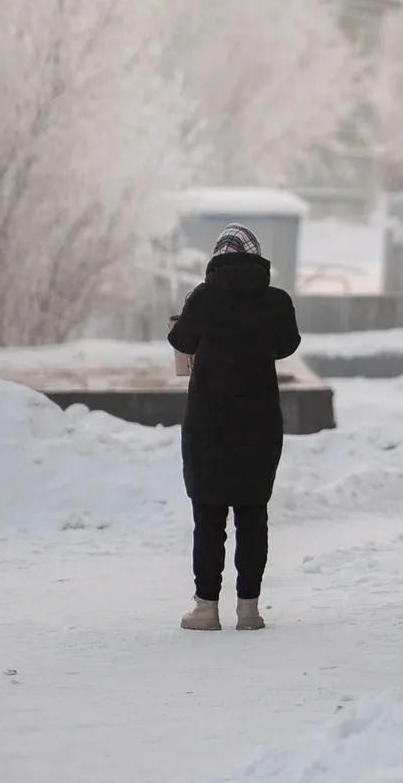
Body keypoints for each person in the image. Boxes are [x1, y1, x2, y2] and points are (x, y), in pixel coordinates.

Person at [167, 223, 301, 631]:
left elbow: (182, 341)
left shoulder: (203, 300)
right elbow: (287, 345)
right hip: (259, 424)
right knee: (252, 514)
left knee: (208, 517)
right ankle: (249, 610)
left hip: (209, 425)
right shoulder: (276, 301)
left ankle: (206, 609)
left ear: (217, 259)